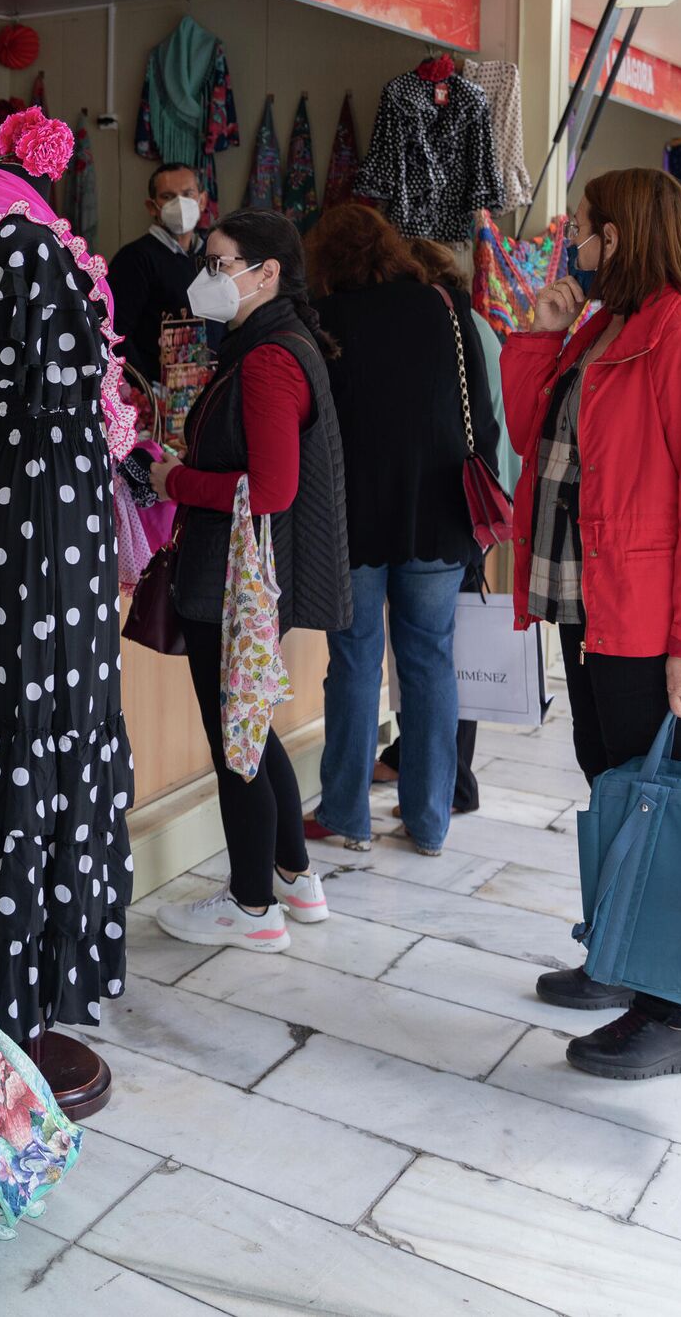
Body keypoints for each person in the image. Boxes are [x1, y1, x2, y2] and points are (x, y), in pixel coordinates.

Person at [508, 167, 681, 1080]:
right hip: (592, 608)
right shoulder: (605, 328)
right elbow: (537, 434)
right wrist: (541, 334)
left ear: (624, 236)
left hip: (652, 623)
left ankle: (676, 1012)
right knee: (616, 792)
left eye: (586, 230)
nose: (574, 243)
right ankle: (624, 955)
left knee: (665, 807)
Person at [147, 208, 351, 951]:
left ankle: (252, 905)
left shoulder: (269, 358)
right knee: (252, 728)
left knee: (236, 738)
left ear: (267, 273)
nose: (209, 276)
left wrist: (176, 480)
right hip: (248, 575)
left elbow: (269, 490)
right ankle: (294, 876)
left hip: (236, 579)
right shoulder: (270, 341)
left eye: (220, 263)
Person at [301, 206, 501, 858]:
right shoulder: (442, 305)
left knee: (354, 661)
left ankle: (346, 814)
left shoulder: (325, 320)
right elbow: (481, 415)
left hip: (353, 517)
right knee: (430, 660)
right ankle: (430, 819)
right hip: (438, 512)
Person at [375, 237, 520, 814]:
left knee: (437, 653)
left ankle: (453, 782)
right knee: (438, 648)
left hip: (456, 507)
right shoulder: (476, 325)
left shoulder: (449, 328)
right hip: (477, 504)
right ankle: (430, 766)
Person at [109, 163, 209, 383]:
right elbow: (115, 332)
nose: (180, 204)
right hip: (158, 397)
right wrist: (146, 390)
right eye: (168, 196)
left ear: (202, 200)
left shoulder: (213, 254)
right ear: (152, 206)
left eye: (187, 194)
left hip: (209, 390)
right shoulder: (134, 259)